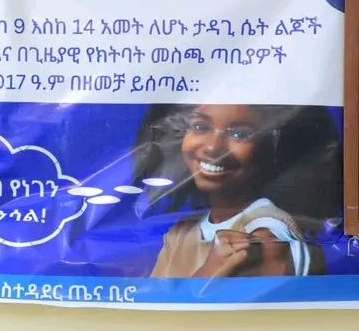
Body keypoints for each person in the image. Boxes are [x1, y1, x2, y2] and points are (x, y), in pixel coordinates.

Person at [132, 104, 343, 278]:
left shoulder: (263, 240)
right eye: (201, 127)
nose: (213, 147)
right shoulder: (182, 233)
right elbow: (151, 302)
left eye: (240, 134)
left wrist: (213, 270)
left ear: (273, 147)